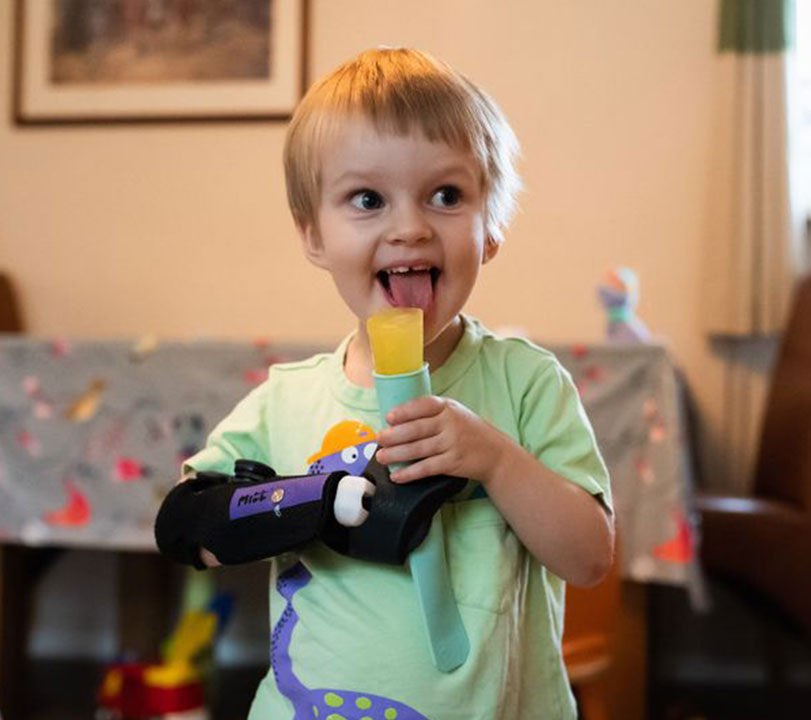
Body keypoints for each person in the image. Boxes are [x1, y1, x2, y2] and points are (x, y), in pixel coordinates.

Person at [181, 47, 614, 719]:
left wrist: (497, 460)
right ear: (314, 235)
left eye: (446, 196)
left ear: (492, 226)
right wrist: (312, 503)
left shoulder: (526, 384)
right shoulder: (286, 401)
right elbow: (187, 524)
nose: (409, 228)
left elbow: (588, 559)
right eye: (368, 200)